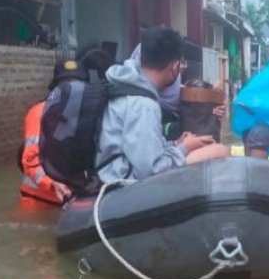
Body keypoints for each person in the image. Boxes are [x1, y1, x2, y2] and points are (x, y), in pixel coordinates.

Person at [95, 26, 229, 182]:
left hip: (117, 170)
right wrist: (184, 148)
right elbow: (151, 170)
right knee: (220, 151)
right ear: (175, 66)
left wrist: (174, 143)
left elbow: (142, 150)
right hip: (123, 183)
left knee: (208, 149)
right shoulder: (144, 104)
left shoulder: (127, 85)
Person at [18, 60, 84, 205]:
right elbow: (30, 159)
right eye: (66, 85)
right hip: (37, 200)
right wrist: (51, 183)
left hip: (71, 201)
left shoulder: (87, 114)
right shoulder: (38, 113)